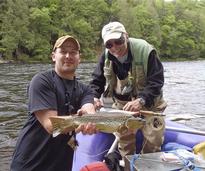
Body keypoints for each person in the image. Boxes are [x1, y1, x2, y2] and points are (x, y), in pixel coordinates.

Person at [10, 35, 97, 171]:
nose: (68, 56)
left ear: (80, 58)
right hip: (30, 164)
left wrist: (90, 117)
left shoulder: (85, 89)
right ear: (53, 56)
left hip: (61, 165)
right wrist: (82, 121)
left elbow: (88, 107)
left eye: (73, 52)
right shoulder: (41, 81)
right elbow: (52, 125)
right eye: (63, 51)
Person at [90, 21, 167, 156]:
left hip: (150, 104)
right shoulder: (107, 56)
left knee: (153, 140)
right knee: (124, 142)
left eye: (118, 41)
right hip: (122, 106)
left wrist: (141, 101)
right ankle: (127, 165)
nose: (114, 47)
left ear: (126, 36)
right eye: (109, 44)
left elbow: (157, 81)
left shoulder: (146, 50)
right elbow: (97, 81)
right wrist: (94, 97)